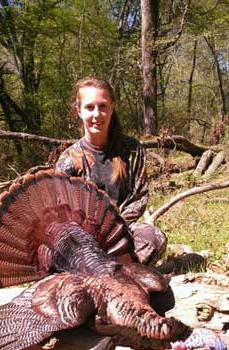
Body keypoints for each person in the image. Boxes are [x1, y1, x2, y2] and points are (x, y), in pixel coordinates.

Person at [55, 76, 166, 265]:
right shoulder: (69, 159)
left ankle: (111, 271)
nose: (97, 114)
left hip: (123, 234)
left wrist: (115, 229)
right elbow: (62, 214)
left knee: (153, 237)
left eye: (103, 106)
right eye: (90, 107)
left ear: (112, 107)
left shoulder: (131, 149)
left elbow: (139, 197)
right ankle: (120, 271)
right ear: (79, 111)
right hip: (85, 241)